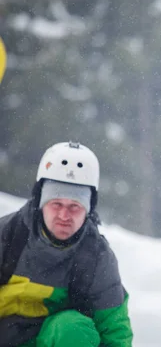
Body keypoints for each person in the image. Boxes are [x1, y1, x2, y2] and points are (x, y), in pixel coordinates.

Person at [0, 142, 133, 347]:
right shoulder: (7, 235)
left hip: (50, 340)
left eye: (75, 207)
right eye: (56, 204)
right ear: (41, 202)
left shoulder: (97, 258)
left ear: (88, 210)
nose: (64, 215)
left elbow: (115, 331)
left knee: (73, 329)